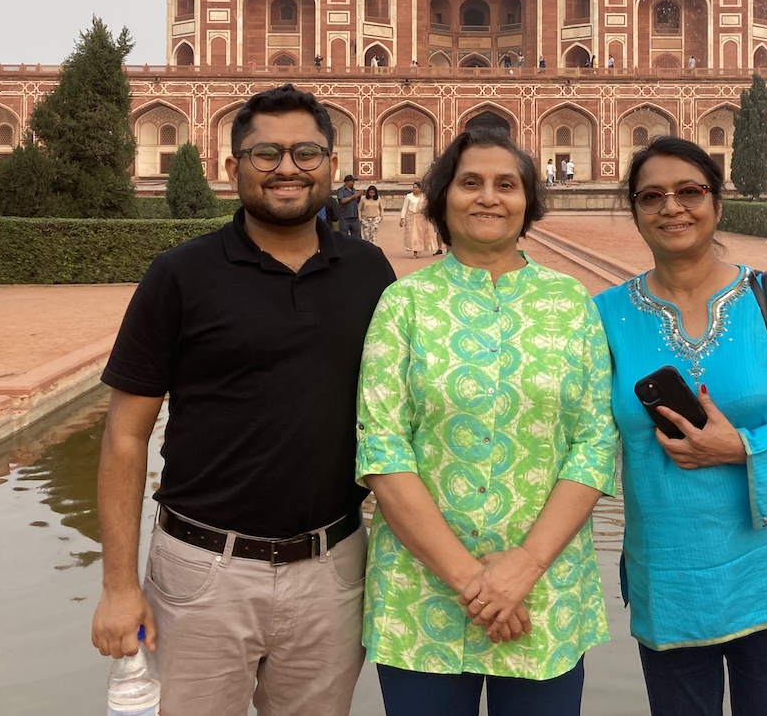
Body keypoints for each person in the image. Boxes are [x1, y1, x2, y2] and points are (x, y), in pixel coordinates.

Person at [90, 84, 396, 716]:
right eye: (266, 154)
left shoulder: (369, 273)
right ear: (233, 169)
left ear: (331, 165)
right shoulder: (181, 274)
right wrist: (118, 585)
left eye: (306, 152)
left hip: (332, 564)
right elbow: (126, 434)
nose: (287, 168)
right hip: (204, 570)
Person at [593, 136, 767, 716]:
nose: (673, 207)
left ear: (718, 204)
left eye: (690, 191)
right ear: (635, 211)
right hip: (669, 575)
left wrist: (744, 446)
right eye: (652, 196)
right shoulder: (607, 315)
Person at [356, 128, 618, 715]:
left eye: (507, 185)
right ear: (441, 197)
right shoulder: (405, 304)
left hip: (543, 590)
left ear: (529, 200)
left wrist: (523, 568)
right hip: (422, 593)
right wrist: (473, 582)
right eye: (470, 183)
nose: (488, 197)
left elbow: (595, 443)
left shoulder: (570, 303)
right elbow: (383, 448)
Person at [399, 181, 440, 258]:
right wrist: (402, 218)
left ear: (420, 189)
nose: (414, 189)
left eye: (416, 187)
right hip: (411, 217)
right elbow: (405, 207)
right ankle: (414, 251)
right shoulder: (409, 196)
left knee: (419, 235)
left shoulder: (424, 197)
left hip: (421, 218)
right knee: (412, 235)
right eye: (413, 187)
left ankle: (418, 249)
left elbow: (427, 208)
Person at [336, 174, 363, 239]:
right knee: (344, 237)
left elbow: (356, 202)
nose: (353, 183)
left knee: (357, 237)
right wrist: (353, 196)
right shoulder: (341, 190)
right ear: (347, 182)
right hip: (344, 217)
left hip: (354, 217)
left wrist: (358, 196)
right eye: (352, 181)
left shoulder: (354, 190)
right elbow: (342, 201)